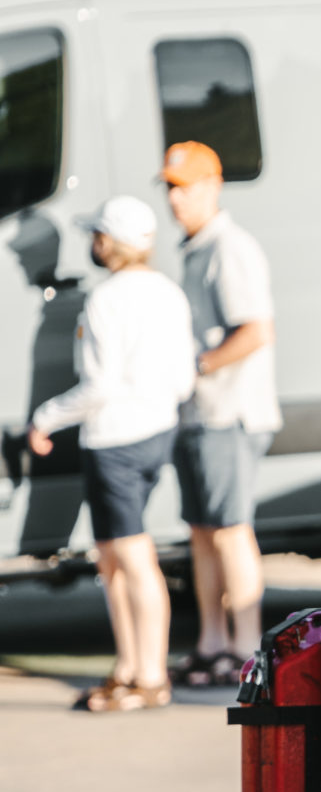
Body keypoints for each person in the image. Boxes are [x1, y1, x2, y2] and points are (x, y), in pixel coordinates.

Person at [25, 196, 198, 713]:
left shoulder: (106, 300)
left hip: (114, 439)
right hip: (155, 431)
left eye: (96, 235)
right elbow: (184, 377)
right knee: (115, 558)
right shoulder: (169, 292)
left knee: (130, 557)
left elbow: (97, 387)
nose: (91, 244)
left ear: (109, 243)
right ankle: (128, 667)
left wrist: (45, 418)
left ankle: (149, 676)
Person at [159, 141, 281, 685]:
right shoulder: (196, 247)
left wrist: (199, 367)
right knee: (202, 531)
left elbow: (256, 330)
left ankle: (246, 647)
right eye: (169, 186)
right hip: (199, 414)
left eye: (183, 186)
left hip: (228, 413)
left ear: (213, 186)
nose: (174, 198)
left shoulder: (231, 248)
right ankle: (212, 644)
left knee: (231, 530)